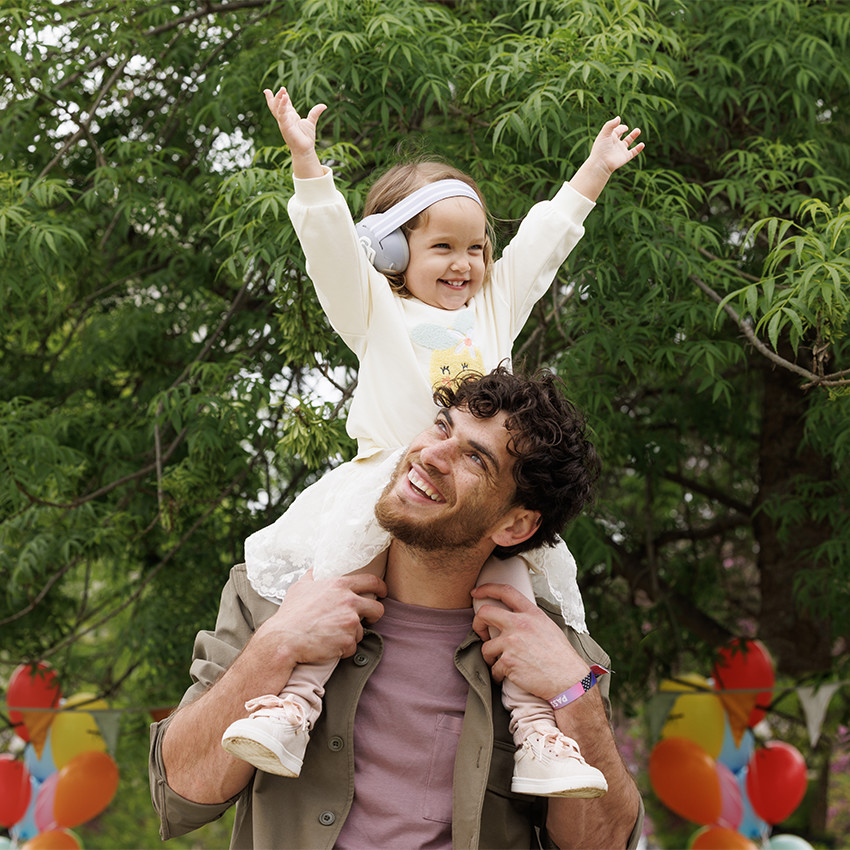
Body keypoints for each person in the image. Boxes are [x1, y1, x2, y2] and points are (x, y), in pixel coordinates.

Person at [218, 86, 644, 797]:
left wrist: (593, 172)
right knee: (338, 587)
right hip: (383, 483)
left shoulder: (494, 306)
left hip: (478, 501)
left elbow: (543, 246)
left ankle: (539, 733)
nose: (464, 264)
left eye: (475, 248)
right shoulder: (374, 308)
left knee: (514, 604)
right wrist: (307, 167)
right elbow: (329, 255)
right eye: (441, 246)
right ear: (390, 249)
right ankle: (293, 707)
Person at [149, 368, 644, 848]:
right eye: (443, 427)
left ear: (515, 526)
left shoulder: (555, 653)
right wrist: (277, 644)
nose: (431, 454)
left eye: (475, 459)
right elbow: (181, 793)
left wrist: (573, 694)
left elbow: (600, 845)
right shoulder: (274, 595)